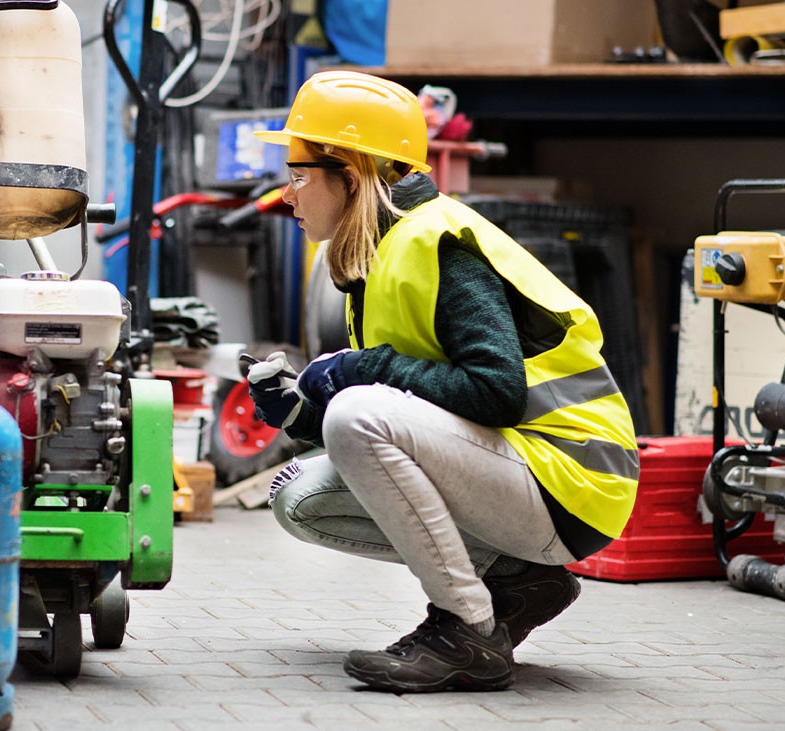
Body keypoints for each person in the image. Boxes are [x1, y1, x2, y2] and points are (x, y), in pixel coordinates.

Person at [246, 70, 640, 693]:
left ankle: (467, 631)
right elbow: (415, 425)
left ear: (351, 175)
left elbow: (495, 393)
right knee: (298, 496)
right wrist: (300, 414)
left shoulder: (438, 244)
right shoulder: (379, 252)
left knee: (356, 411)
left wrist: (356, 371)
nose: (285, 196)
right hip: (517, 468)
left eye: (298, 176)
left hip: (571, 481)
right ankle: (517, 581)